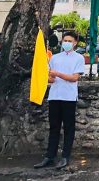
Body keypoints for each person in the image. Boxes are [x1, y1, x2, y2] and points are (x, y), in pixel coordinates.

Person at [34, 31, 84, 170]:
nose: (66, 43)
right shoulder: (54, 58)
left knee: (68, 127)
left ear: (75, 43)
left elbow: (74, 78)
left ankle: (65, 156)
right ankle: (50, 156)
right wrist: (46, 76)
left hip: (68, 97)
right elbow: (51, 78)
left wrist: (58, 74)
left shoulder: (78, 58)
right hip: (55, 96)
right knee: (54, 127)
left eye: (69, 41)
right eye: (64, 40)